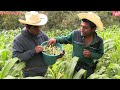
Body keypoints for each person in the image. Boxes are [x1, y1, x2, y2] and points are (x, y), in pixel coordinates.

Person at [47, 12, 104, 78]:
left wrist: (91, 54)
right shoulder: (75, 34)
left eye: (85, 28)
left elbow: (100, 54)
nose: (82, 29)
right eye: (81, 26)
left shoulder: (99, 41)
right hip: (74, 66)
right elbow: (65, 39)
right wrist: (56, 39)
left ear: (93, 29)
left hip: (89, 69)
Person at [12, 11, 60, 77]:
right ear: (27, 27)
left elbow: (50, 50)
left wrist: (58, 55)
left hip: (43, 72)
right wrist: (34, 51)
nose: (39, 30)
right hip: (29, 74)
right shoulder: (19, 40)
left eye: (40, 26)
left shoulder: (42, 35)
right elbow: (16, 58)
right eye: (35, 27)